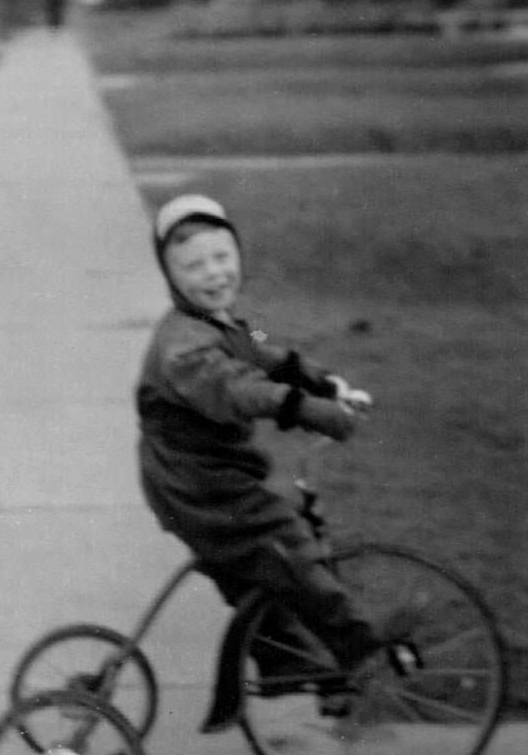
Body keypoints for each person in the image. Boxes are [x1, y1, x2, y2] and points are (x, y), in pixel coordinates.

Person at [135, 194, 382, 687]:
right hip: (196, 485)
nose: (213, 274)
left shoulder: (216, 322)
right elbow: (240, 388)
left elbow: (265, 357)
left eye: (222, 258)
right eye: (194, 266)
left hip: (206, 474)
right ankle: (364, 649)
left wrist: (324, 383)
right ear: (170, 276)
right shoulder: (183, 346)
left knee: (255, 563)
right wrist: (306, 409)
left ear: (239, 258)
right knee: (284, 543)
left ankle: (285, 660)